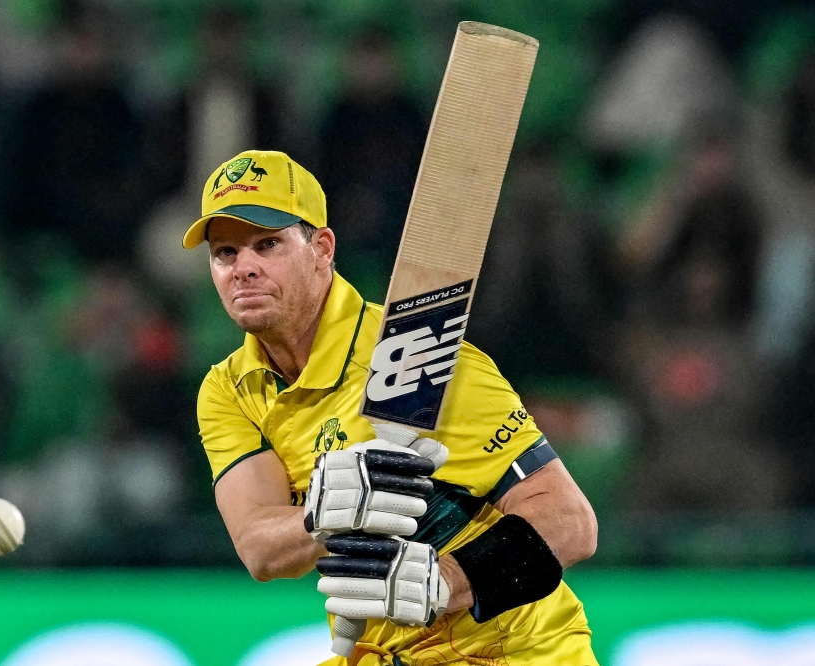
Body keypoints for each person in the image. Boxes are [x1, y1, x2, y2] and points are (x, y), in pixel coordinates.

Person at [184, 150, 599, 665]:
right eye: (225, 253)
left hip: (514, 652)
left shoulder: (422, 357)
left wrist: (446, 581)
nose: (243, 268)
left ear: (322, 247)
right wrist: (325, 515)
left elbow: (571, 523)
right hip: (384, 653)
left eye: (267, 245)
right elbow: (260, 548)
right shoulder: (230, 389)